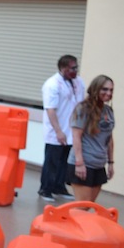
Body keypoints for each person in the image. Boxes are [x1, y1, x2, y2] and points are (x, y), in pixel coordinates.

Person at [39, 54, 84, 201]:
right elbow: (50, 110)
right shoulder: (52, 84)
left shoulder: (78, 82)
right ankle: (45, 189)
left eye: (76, 67)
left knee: (65, 161)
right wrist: (58, 131)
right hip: (56, 131)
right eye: (72, 68)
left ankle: (59, 187)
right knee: (52, 161)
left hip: (71, 130)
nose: (76, 70)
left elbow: (81, 102)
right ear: (63, 68)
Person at [67, 75, 115, 202]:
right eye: (104, 89)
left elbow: (109, 138)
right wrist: (79, 163)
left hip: (99, 164)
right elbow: (76, 137)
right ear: (95, 89)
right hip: (84, 163)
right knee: (83, 205)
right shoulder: (83, 109)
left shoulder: (108, 111)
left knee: (88, 205)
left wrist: (111, 163)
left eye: (111, 90)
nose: (108, 93)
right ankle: (57, 215)